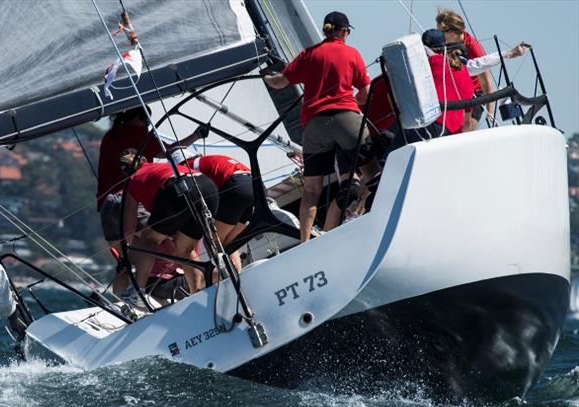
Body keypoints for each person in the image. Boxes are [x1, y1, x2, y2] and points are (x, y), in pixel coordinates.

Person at [264, 11, 371, 238]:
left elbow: (280, 83)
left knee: (312, 189)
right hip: (346, 117)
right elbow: (365, 92)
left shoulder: (308, 54)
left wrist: (266, 77)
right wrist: (352, 103)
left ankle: (305, 241)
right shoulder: (351, 53)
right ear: (343, 32)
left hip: (314, 124)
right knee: (374, 171)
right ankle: (358, 213)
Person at [96, 107, 207, 292]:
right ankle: (153, 290)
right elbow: (168, 152)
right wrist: (196, 135)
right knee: (168, 240)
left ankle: (124, 304)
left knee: (125, 263)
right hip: (129, 200)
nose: (146, 125)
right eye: (146, 121)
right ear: (139, 119)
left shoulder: (110, 136)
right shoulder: (138, 133)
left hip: (107, 206)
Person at [120, 153, 219, 297]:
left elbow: (128, 228)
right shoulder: (160, 166)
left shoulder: (132, 180)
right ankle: (196, 293)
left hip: (179, 188)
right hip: (207, 186)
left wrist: (129, 255)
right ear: (144, 160)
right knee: (184, 247)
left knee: (148, 239)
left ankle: (138, 294)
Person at [172, 148, 253, 272]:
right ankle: (238, 275)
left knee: (212, 240)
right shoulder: (212, 159)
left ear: (181, 164)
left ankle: (229, 279)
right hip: (255, 186)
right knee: (228, 242)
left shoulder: (190, 167)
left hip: (237, 189)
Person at [393, 29, 474, 146]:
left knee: (388, 160)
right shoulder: (466, 76)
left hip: (428, 125)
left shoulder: (432, 62)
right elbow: (467, 122)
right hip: (450, 135)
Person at [436, 8, 493, 131]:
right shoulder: (447, 44)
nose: (440, 37)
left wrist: (490, 110)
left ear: (451, 32)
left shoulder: (472, 46)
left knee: (467, 131)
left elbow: (486, 80)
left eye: (441, 33)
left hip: (474, 94)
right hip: (457, 90)